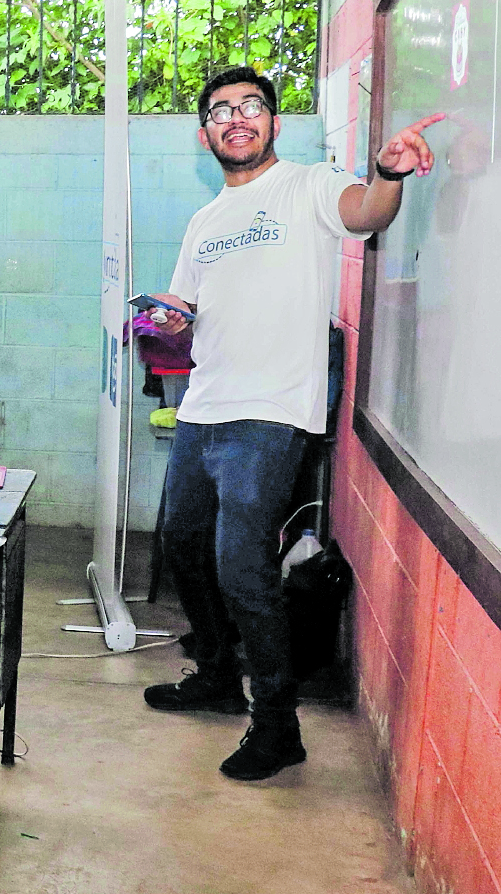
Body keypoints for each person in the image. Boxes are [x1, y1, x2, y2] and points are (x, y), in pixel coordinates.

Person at [142, 65, 443, 781]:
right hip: (204, 408)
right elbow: (187, 312)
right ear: (204, 132)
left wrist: (387, 172)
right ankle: (216, 672)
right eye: (221, 110)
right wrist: (170, 316)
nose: (236, 118)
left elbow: (368, 210)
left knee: (241, 565)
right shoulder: (203, 221)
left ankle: (277, 725)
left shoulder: (308, 185)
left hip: (272, 413)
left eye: (252, 107)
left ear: (274, 124)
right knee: (185, 545)